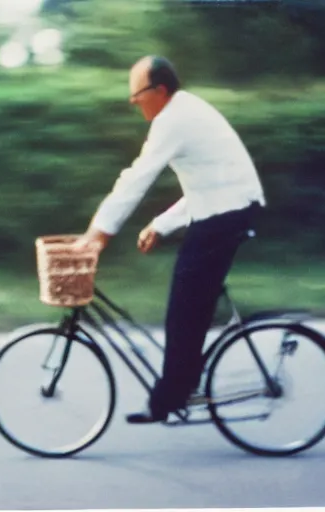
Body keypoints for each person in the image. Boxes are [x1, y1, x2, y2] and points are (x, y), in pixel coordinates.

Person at [75, 55, 266, 424]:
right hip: (224, 207)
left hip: (227, 213)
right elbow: (204, 185)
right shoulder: (183, 111)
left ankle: (170, 398)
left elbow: (136, 177)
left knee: (184, 305)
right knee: (188, 303)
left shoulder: (174, 119)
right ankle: (177, 390)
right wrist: (161, 225)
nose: (135, 103)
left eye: (138, 95)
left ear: (159, 90)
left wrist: (98, 233)